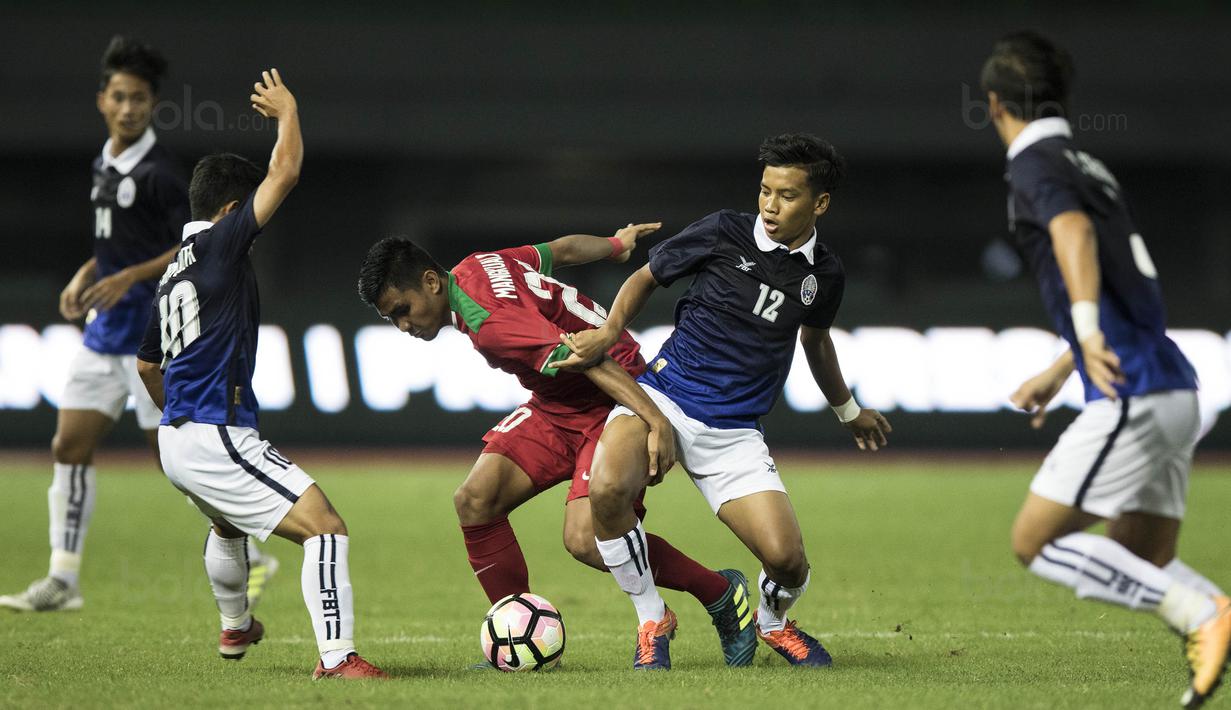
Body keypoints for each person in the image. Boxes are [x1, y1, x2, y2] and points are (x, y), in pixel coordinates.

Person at [558, 133, 892, 669]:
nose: (769, 205)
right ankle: (651, 617)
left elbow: (816, 341)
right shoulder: (721, 231)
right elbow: (646, 277)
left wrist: (848, 412)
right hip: (663, 396)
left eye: (786, 195)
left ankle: (772, 622)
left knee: (788, 562)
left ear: (819, 204)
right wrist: (611, 329)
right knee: (608, 490)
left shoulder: (823, 274)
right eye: (764, 190)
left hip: (734, 431)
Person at [356, 227, 758, 668]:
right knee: (475, 500)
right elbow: (560, 250)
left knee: (586, 539)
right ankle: (517, 641)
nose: (403, 326)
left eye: (402, 310)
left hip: (613, 396)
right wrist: (614, 246)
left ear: (431, 282)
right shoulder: (475, 265)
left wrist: (655, 418)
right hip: (557, 404)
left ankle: (720, 593)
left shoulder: (490, 324)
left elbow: (590, 358)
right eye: (392, 319)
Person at [981, 30, 1230, 708]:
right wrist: (1065, 362)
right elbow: (1117, 271)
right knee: (1143, 557)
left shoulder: (1034, 164)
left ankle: (1201, 616)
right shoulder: (1087, 163)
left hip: (1131, 393)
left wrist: (1085, 332)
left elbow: (1073, 236)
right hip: (1172, 385)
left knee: (1034, 542)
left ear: (995, 105)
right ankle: (1211, 611)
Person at [0, 36, 275, 614]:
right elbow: (115, 246)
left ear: (153, 104)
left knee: (178, 462)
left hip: (154, 337)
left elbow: (191, 244)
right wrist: (87, 273)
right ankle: (63, 578)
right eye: (119, 97)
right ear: (102, 99)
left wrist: (127, 278)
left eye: (140, 99)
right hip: (102, 338)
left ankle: (246, 546)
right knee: (68, 446)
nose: (129, 108)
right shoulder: (104, 162)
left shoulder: (160, 175)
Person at [135, 69, 384, 679]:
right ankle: (338, 658)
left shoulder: (172, 272)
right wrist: (289, 111)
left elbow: (146, 363)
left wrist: (179, 415)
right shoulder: (222, 243)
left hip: (179, 436)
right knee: (325, 527)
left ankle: (235, 624)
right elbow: (286, 172)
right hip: (213, 433)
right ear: (227, 210)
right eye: (245, 212)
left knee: (227, 521)